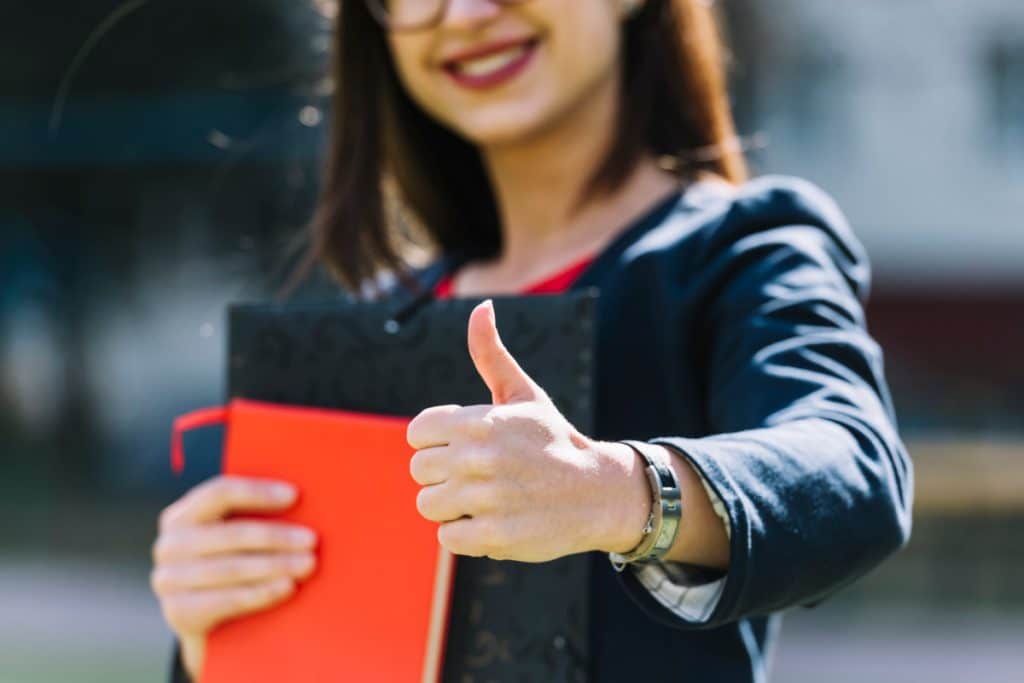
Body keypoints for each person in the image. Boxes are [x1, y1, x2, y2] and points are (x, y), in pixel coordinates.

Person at [152, 0, 915, 681]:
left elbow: (855, 467)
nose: (466, 13)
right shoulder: (383, 314)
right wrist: (211, 631)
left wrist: (621, 492)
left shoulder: (743, 248)